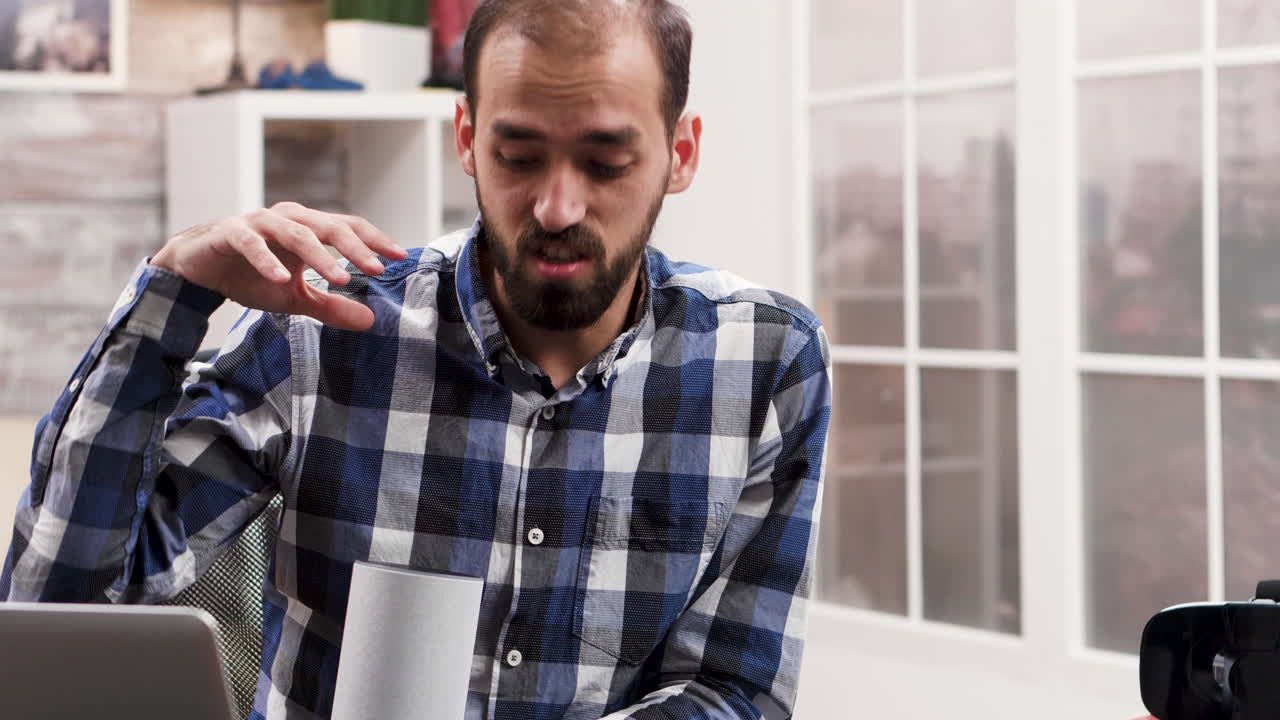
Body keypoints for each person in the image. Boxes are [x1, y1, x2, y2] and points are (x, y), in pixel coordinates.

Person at [1, 0, 832, 718]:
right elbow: (60, 606)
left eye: (607, 162)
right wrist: (170, 297)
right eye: (518, 155)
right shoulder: (327, 325)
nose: (556, 206)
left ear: (679, 155)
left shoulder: (765, 364)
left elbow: (734, 690)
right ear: (466, 137)